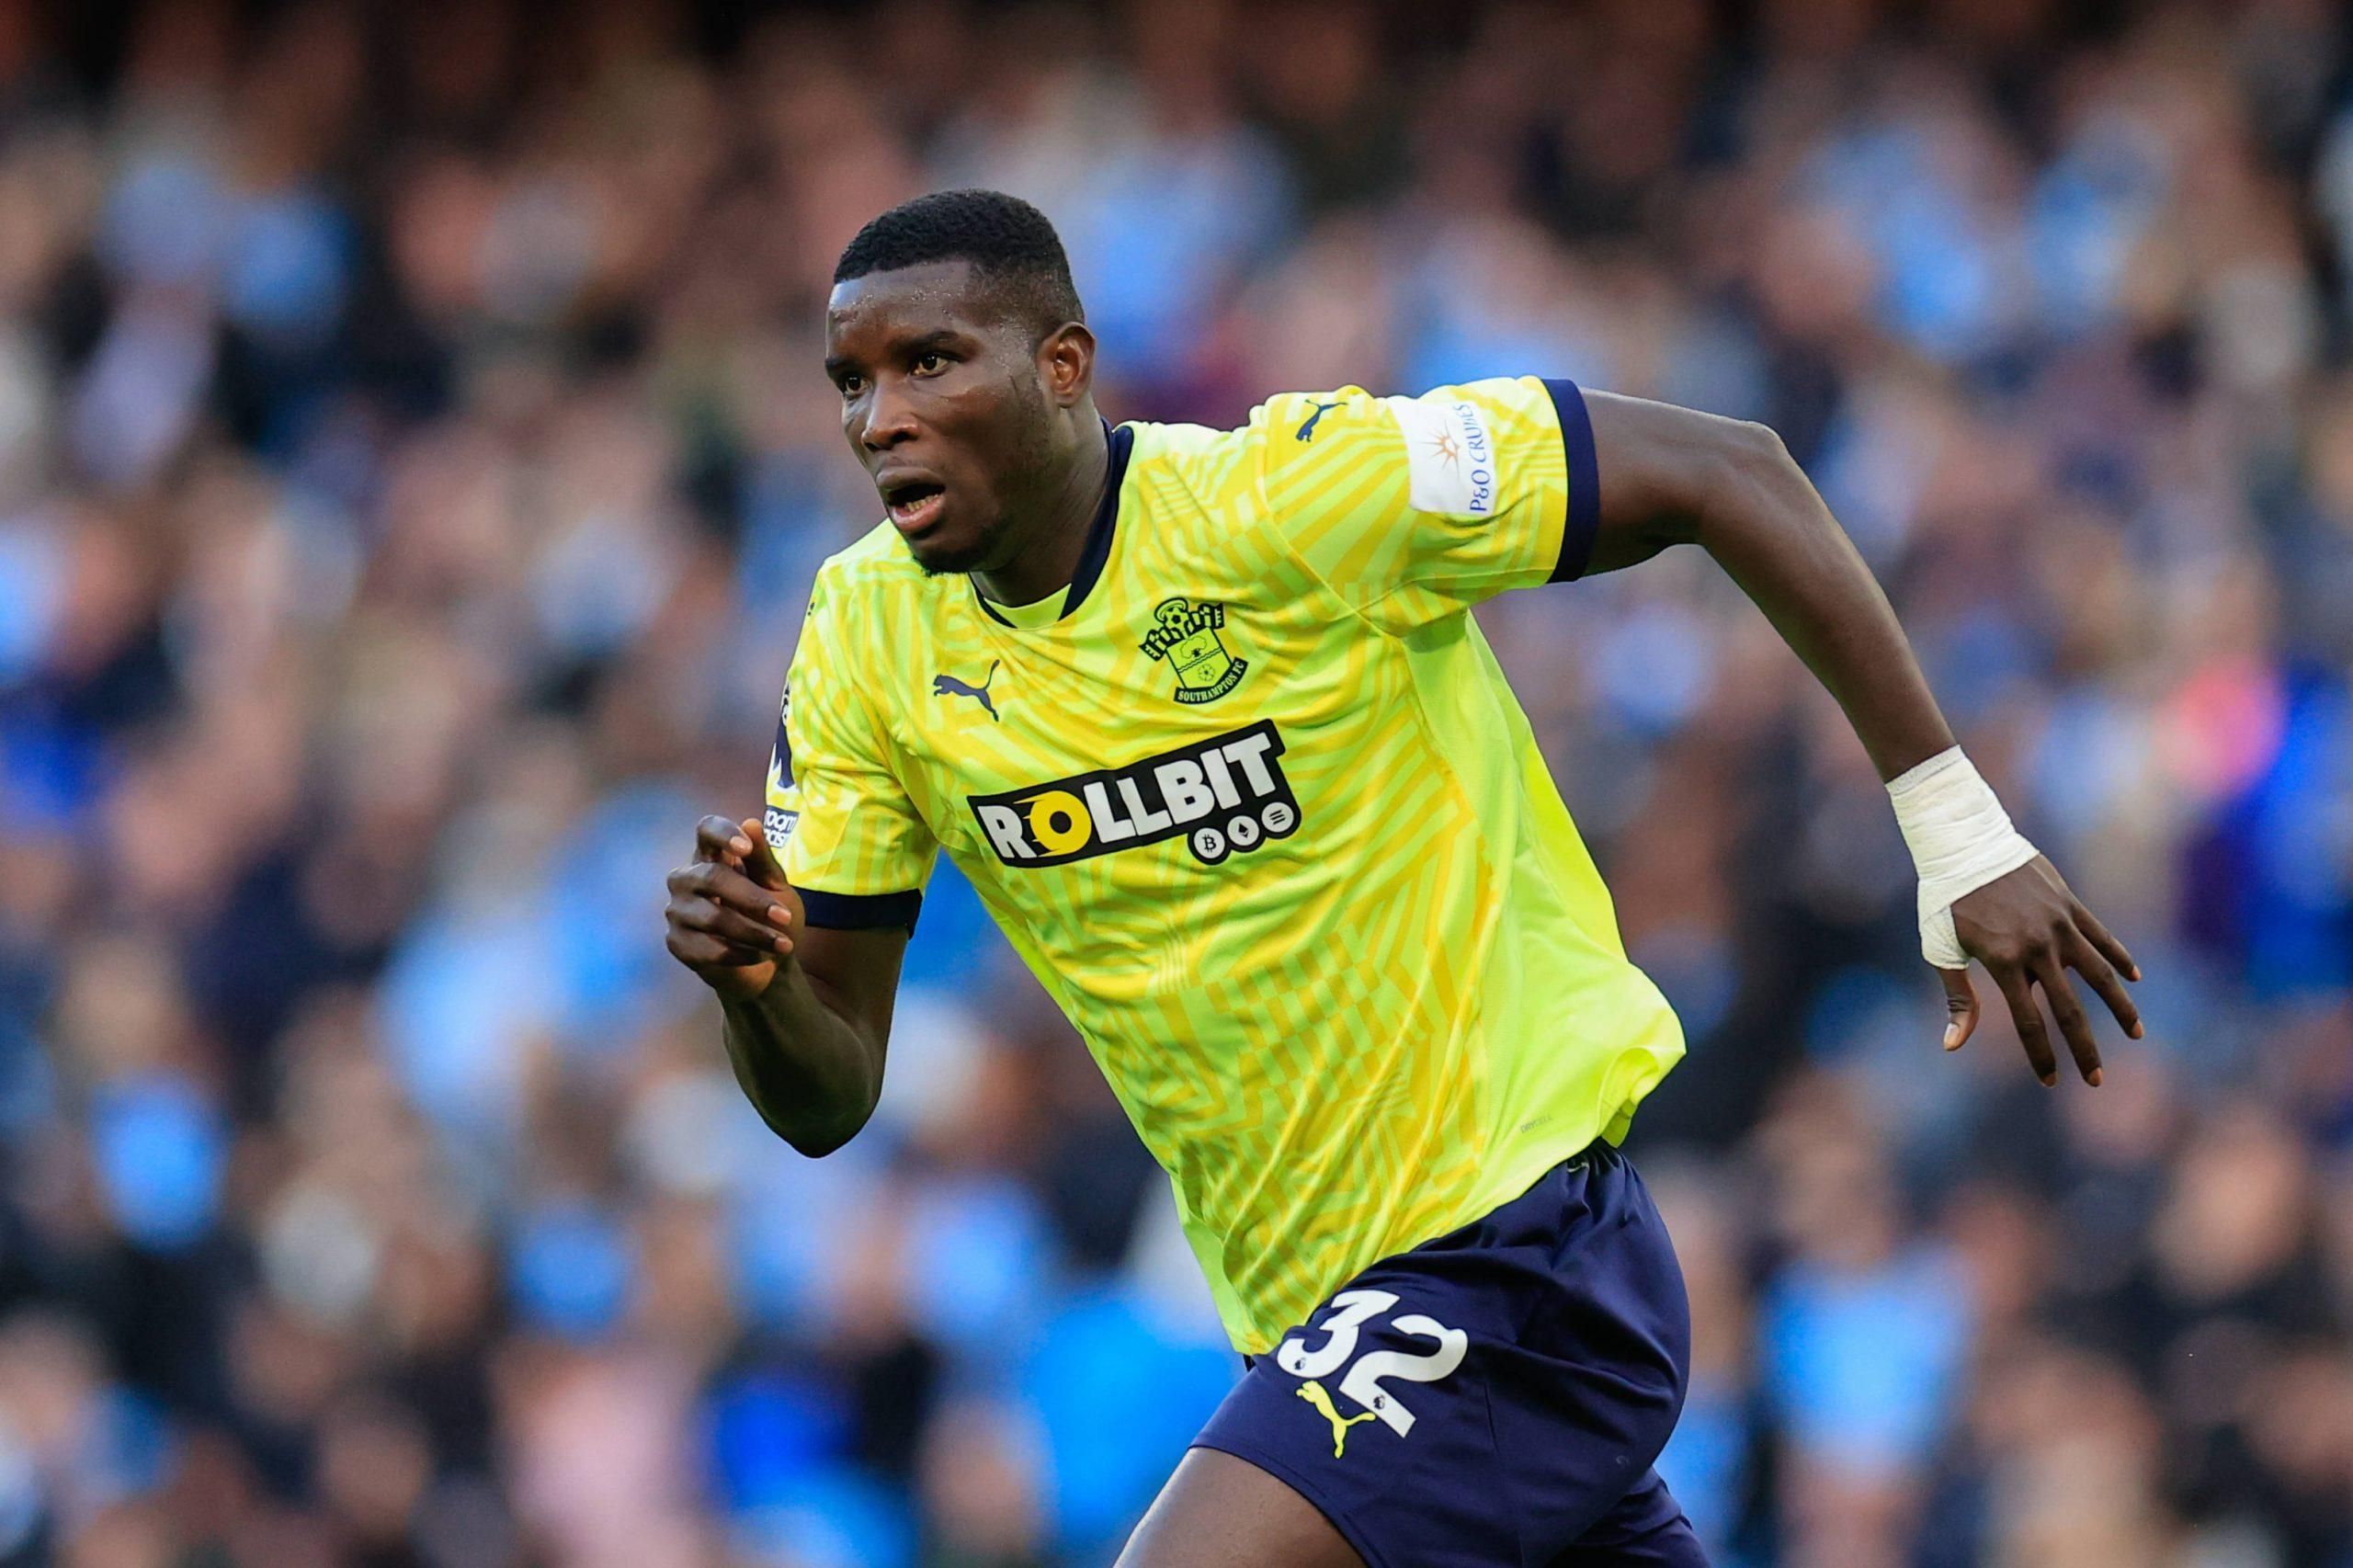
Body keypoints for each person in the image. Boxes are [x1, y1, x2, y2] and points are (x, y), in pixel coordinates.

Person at [662, 190, 2143, 1567]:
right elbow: (826, 1092)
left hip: (1518, 1249)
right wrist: (758, 986)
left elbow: (1725, 467)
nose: (884, 418)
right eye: (853, 382)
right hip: (1305, 1317)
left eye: (931, 361)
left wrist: (1959, 827)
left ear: (1063, 364)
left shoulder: (1293, 501)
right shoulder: (865, 638)